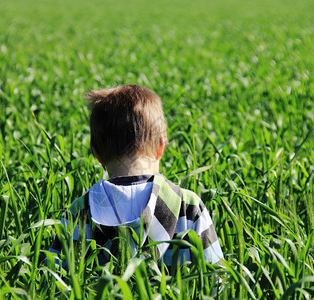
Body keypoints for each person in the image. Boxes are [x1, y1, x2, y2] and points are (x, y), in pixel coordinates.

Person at [49, 84, 223, 267]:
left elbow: (53, 282)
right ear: (160, 147)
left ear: (97, 153)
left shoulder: (80, 212)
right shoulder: (188, 208)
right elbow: (217, 281)